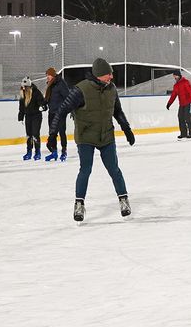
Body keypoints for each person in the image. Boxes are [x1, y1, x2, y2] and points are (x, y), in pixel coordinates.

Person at [49, 57, 134, 222]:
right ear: (98, 75)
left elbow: (117, 111)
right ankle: (79, 204)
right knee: (85, 170)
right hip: (86, 136)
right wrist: (53, 134)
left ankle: (124, 200)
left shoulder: (111, 89)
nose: (111, 77)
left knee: (114, 169)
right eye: (108, 74)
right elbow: (61, 111)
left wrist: (127, 129)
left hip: (106, 135)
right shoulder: (80, 90)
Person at [43, 67, 71, 162]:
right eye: (47, 75)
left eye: (48, 75)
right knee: (52, 133)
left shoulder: (60, 84)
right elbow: (49, 98)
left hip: (60, 112)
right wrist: (45, 105)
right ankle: (54, 152)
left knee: (62, 132)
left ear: (53, 75)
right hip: (52, 112)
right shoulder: (50, 85)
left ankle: (64, 151)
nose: (47, 77)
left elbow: (67, 96)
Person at [17, 76, 46, 161]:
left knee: (35, 134)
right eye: (22, 87)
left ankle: (37, 152)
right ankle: (29, 151)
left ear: (29, 87)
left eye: (25, 87)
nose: (23, 89)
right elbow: (21, 107)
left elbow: (42, 101)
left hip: (36, 116)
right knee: (28, 135)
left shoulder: (36, 92)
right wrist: (21, 116)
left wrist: (42, 106)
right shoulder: (23, 94)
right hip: (28, 116)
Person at [167, 69, 191, 139]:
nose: (174, 77)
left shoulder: (186, 82)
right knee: (180, 117)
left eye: (175, 76)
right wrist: (169, 104)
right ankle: (183, 134)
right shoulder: (176, 85)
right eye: (174, 76)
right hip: (182, 104)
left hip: (188, 103)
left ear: (178, 75)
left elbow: (190, 92)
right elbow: (173, 96)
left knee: (187, 118)